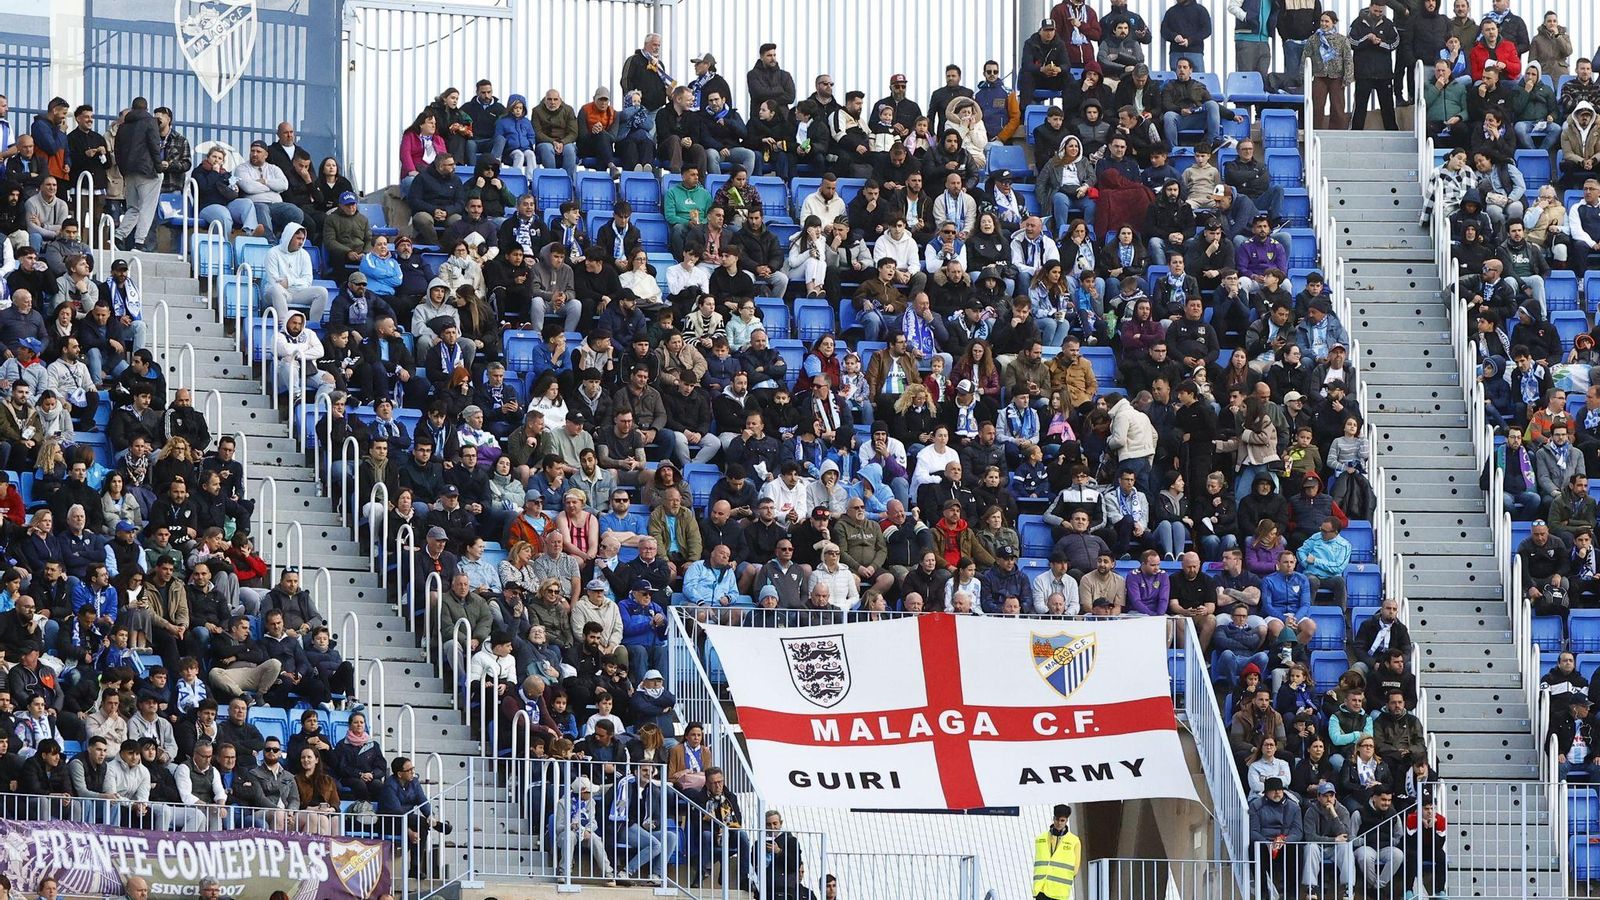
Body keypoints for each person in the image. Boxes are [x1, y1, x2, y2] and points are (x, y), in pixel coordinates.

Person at [1032, 803, 1080, 900]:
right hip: (1041, 889)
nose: (1059, 823)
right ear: (1053, 818)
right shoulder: (1040, 839)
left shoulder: (1074, 841)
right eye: (1057, 819)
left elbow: (1075, 868)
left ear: (1066, 821)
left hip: (1060, 892)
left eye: (1062, 820)